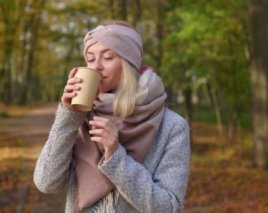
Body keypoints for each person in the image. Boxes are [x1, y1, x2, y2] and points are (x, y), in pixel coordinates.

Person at [33, 20, 190, 213]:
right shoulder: (80, 117)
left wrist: (116, 156)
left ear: (128, 63)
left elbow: (169, 207)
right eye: (90, 59)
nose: (96, 66)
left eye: (108, 57)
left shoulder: (172, 127)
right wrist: (67, 117)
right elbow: (46, 183)